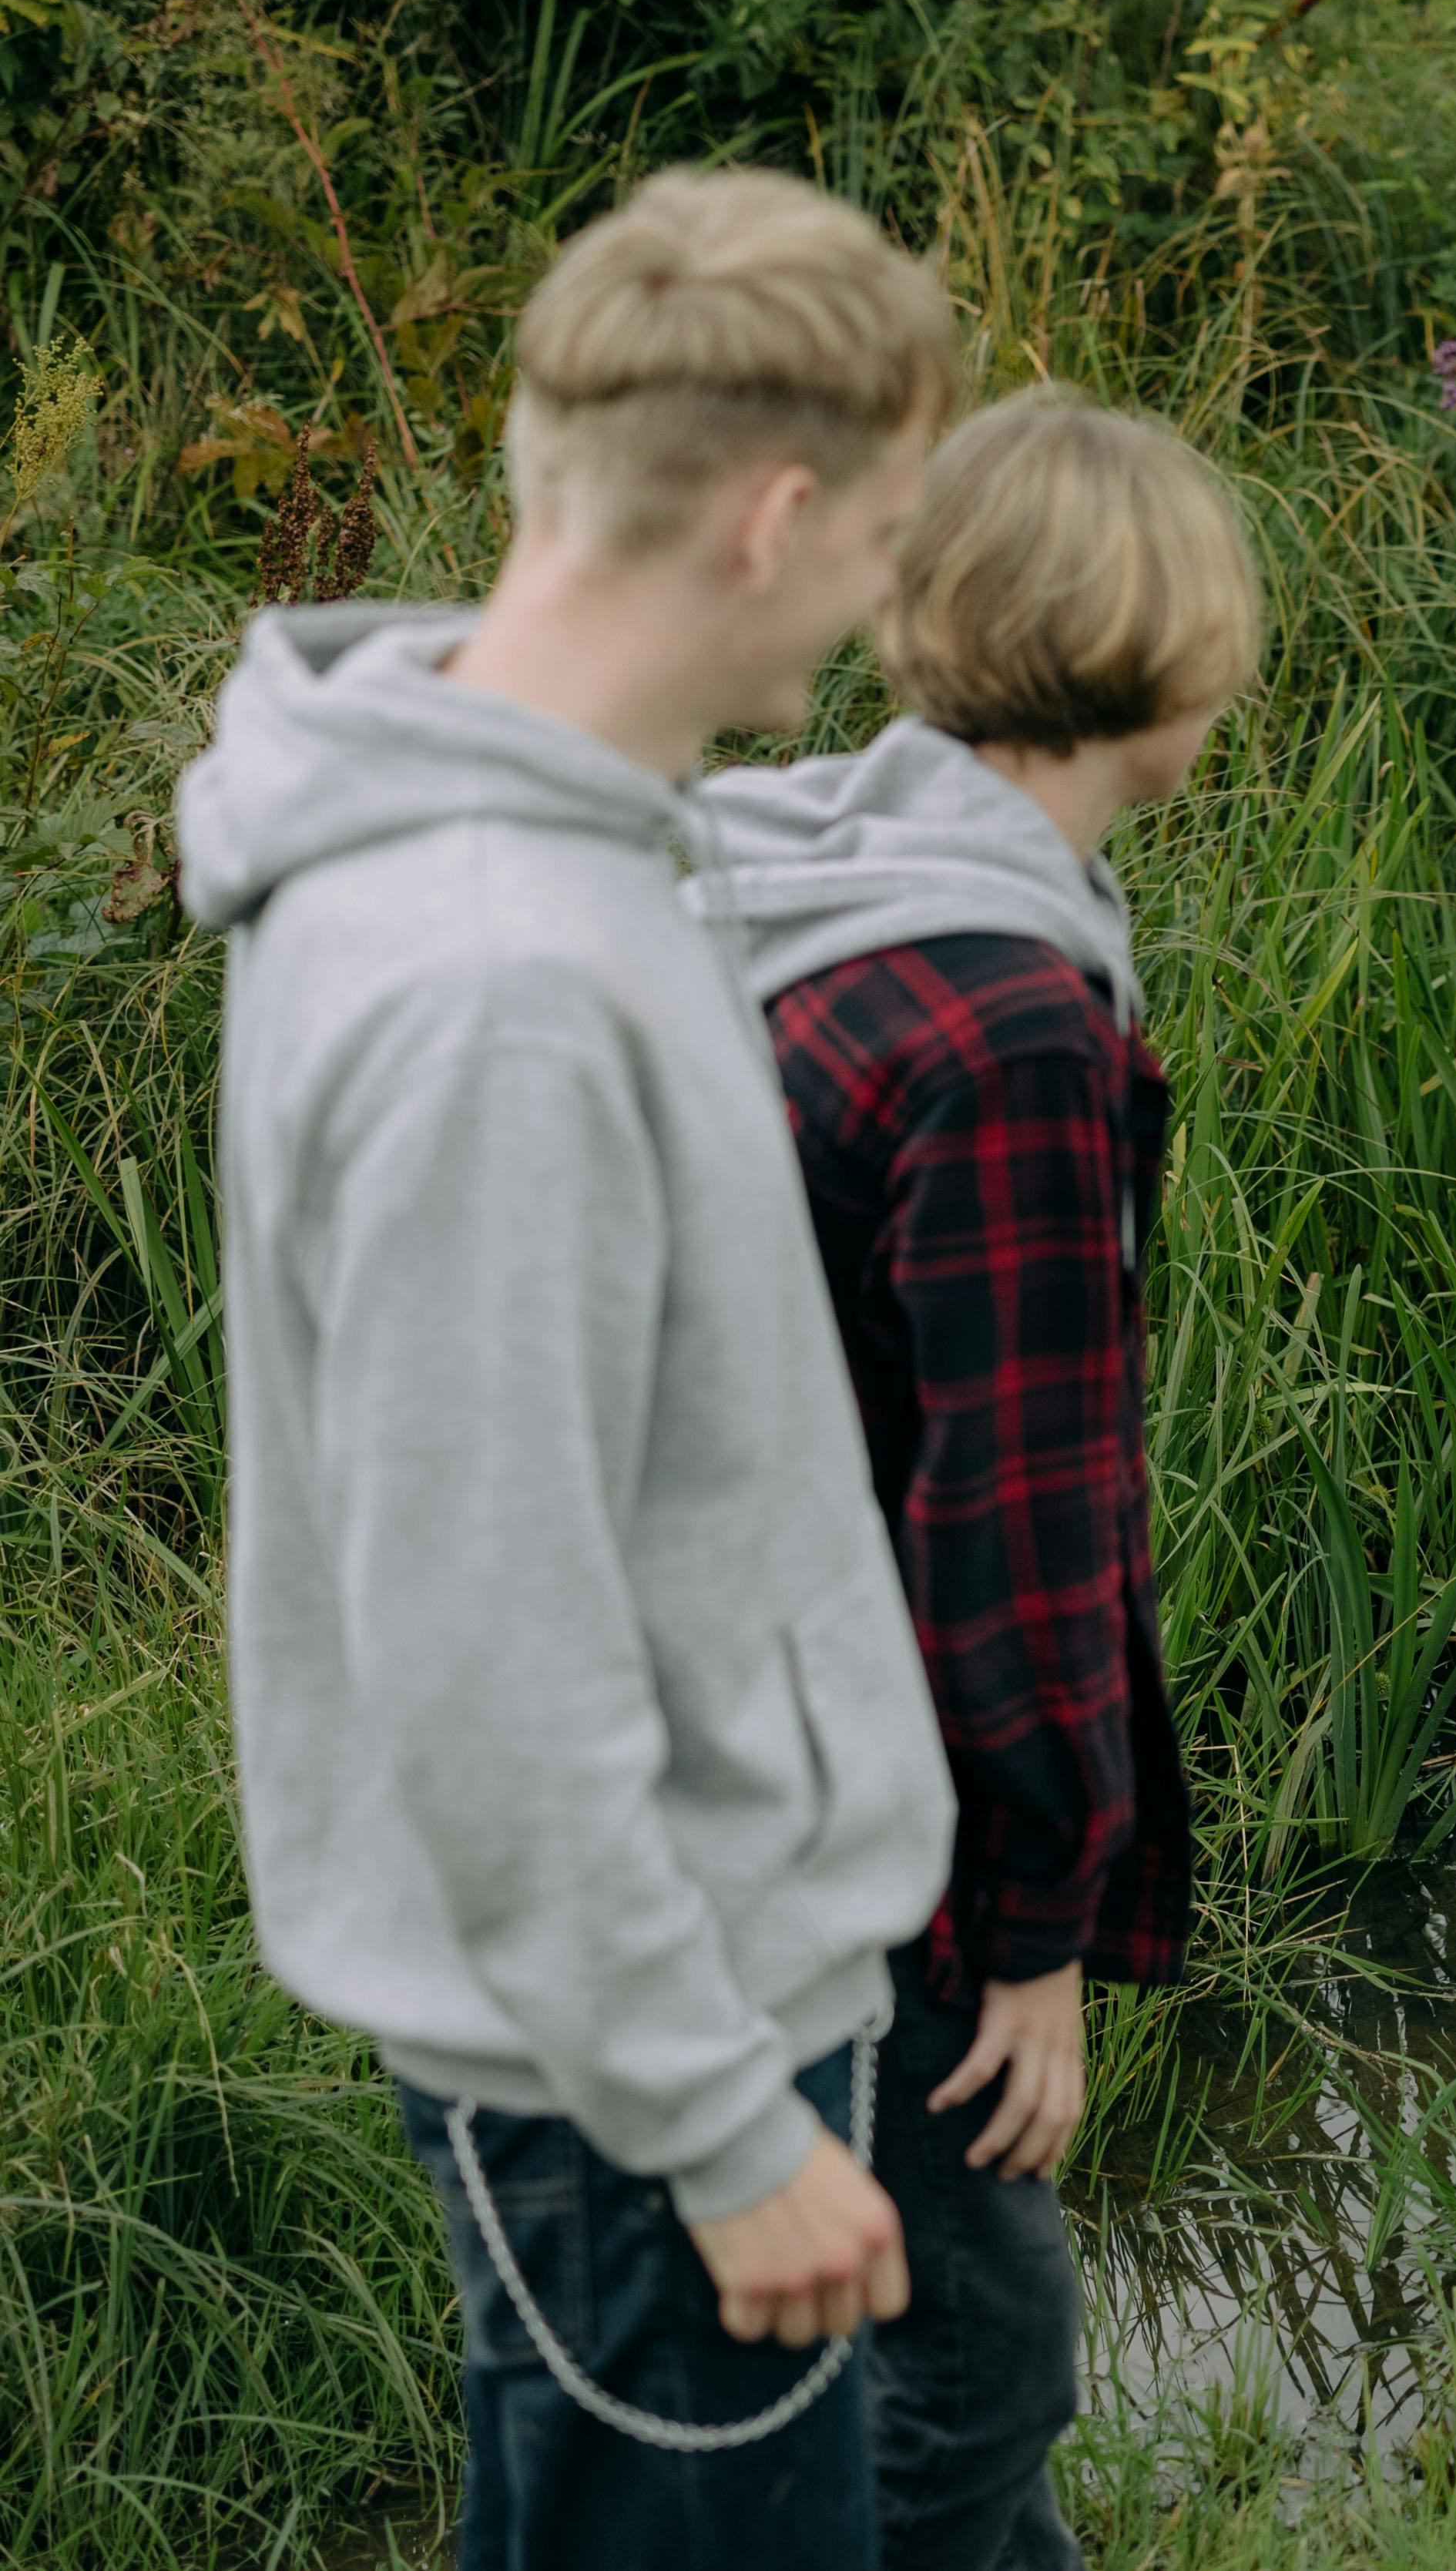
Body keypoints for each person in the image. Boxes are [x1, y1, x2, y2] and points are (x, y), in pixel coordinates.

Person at [172, 169, 964, 2569]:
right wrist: (721, 2123)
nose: (891, 596)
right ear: (778, 513)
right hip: (633, 2066)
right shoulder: (499, 977)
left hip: (672, 1995)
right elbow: (487, 1646)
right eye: (889, 533)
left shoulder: (535, 825)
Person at [695, 388, 1253, 2569]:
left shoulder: (801, 871)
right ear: (1172, 656)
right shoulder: (1012, 1021)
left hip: (716, 1731)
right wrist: (1030, 1939)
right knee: (975, 2365)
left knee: (860, 2337)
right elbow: (1007, 1532)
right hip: (870, 1816)